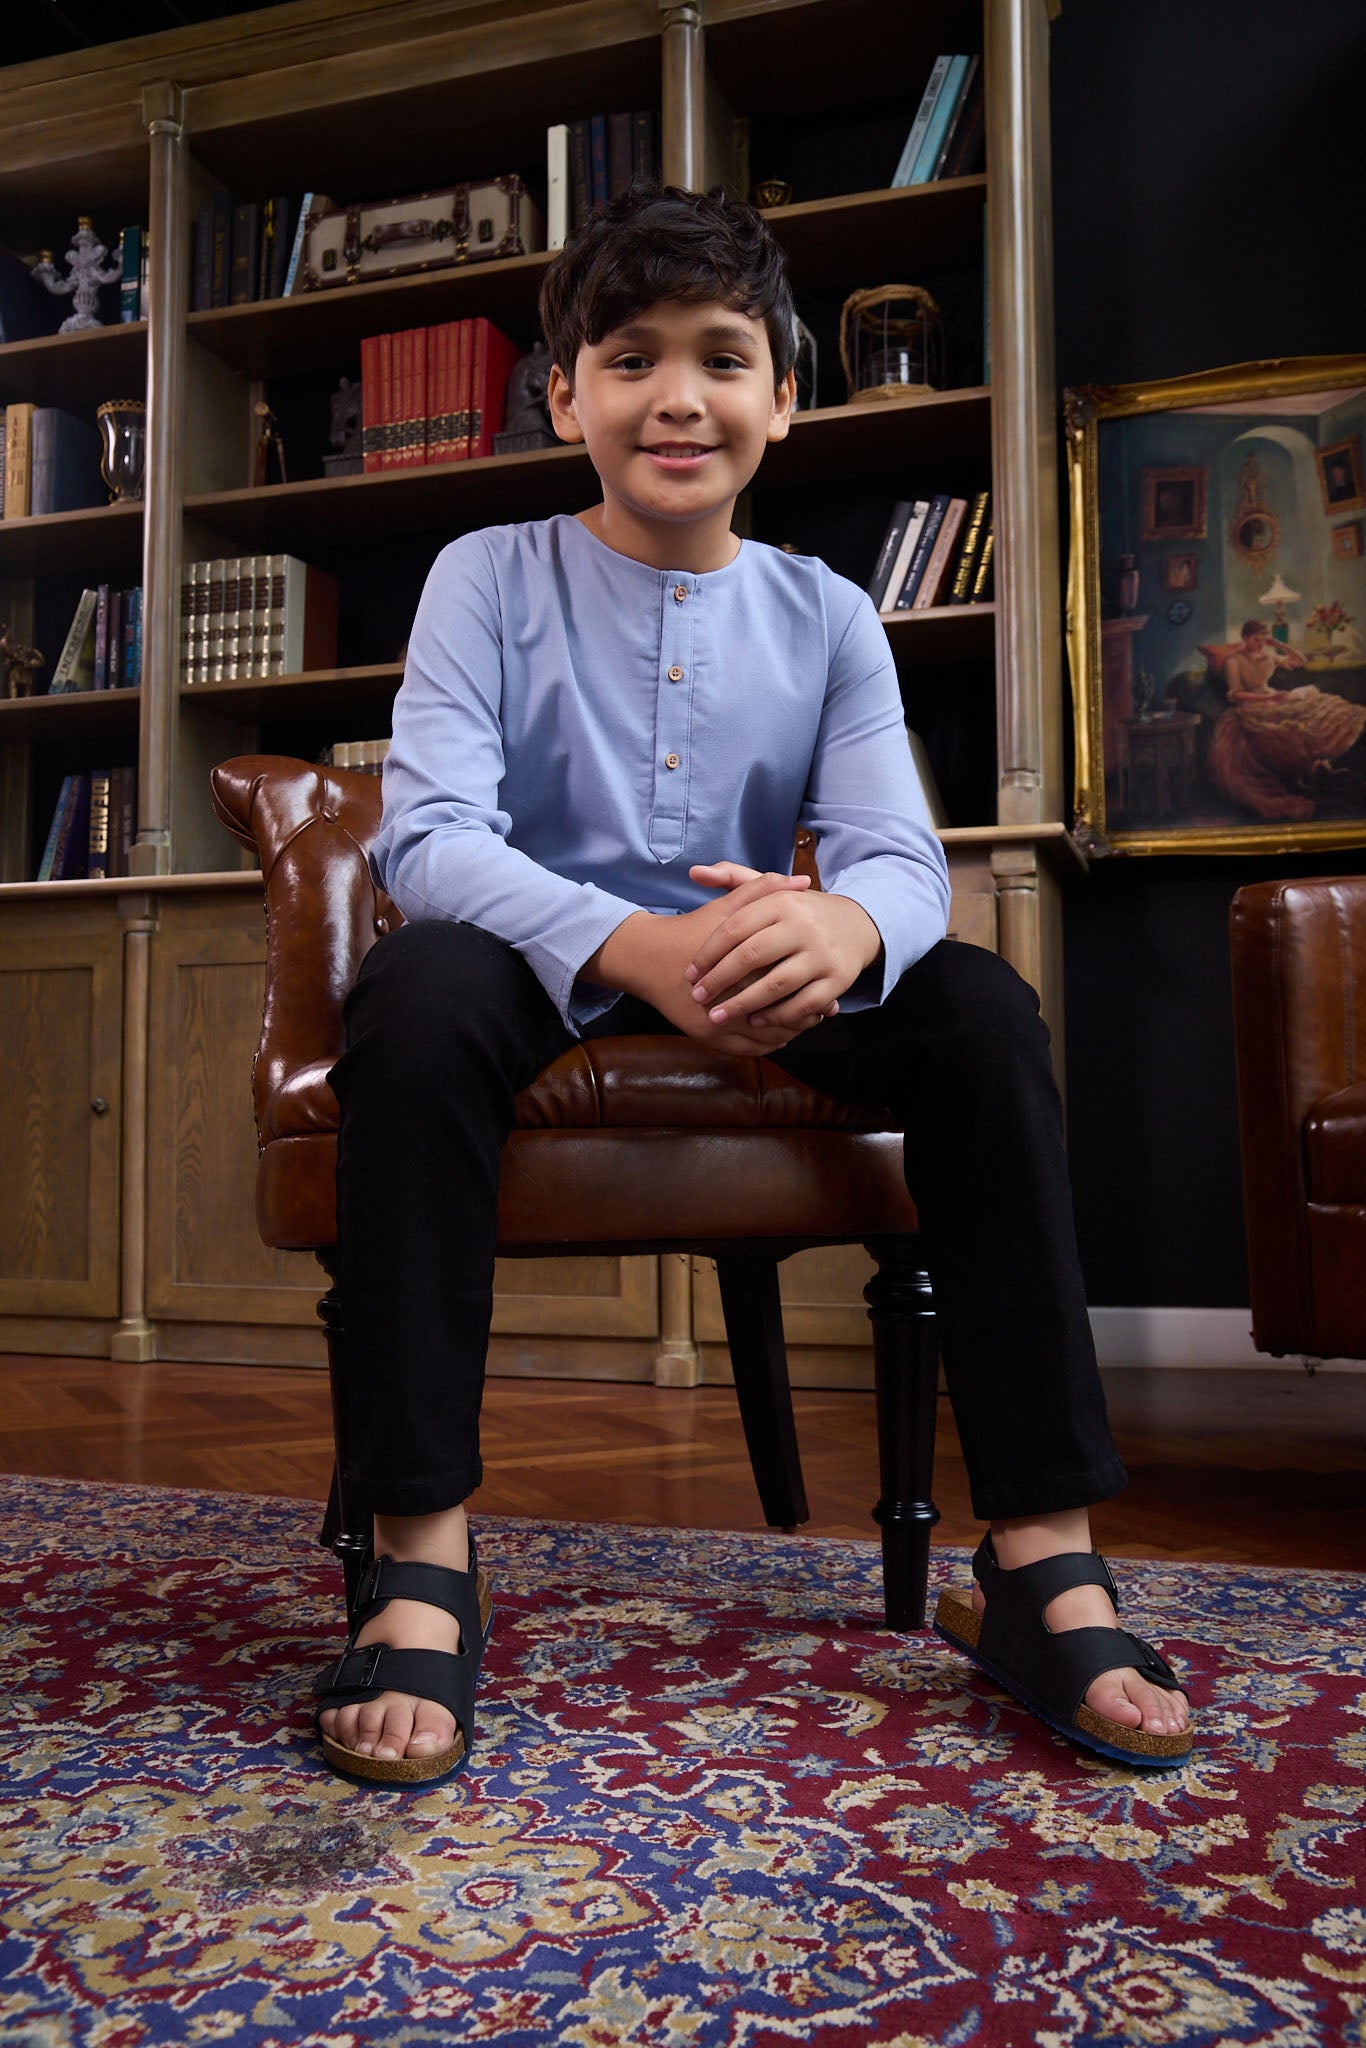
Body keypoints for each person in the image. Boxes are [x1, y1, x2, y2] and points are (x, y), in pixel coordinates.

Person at [315, 185, 1192, 1787]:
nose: (676, 397)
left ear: (782, 397)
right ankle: (418, 1552)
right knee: (419, 993)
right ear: (563, 392)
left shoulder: (832, 612)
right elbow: (427, 840)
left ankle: (1036, 1553)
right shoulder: (483, 575)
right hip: (540, 965)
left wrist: (849, 934)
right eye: (628, 358)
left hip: (767, 965)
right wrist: (630, 944)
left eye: (722, 358)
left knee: (981, 1008)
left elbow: (897, 860)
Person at [1210, 618, 1366, 821]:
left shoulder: (1267, 654)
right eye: (1255, 638)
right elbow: (1235, 694)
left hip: (1273, 697)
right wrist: (1268, 698)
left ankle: (1322, 769)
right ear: (1245, 638)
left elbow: (1300, 661)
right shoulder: (1234, 661)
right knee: (1292, 727)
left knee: (1323, 708)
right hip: (1253, 705)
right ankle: (1314, 773)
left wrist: (1278, 645)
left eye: (1262, 638)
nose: (1259, 642)